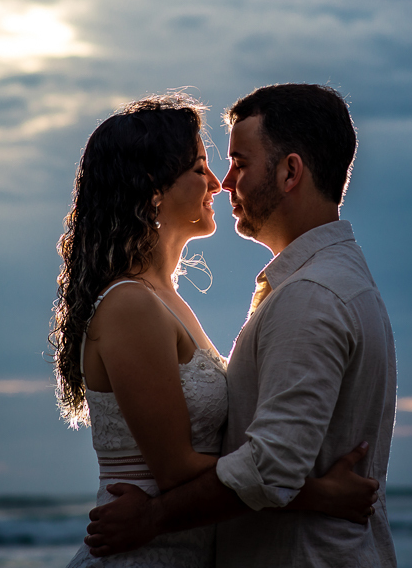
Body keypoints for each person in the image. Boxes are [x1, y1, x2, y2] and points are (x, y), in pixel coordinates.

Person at [51, 93, 381, 568]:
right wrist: (318, 493)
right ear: (153, 187)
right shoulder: (130, 305)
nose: (216, 183)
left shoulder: (165, 301)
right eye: (200, 165)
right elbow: (175, 469)